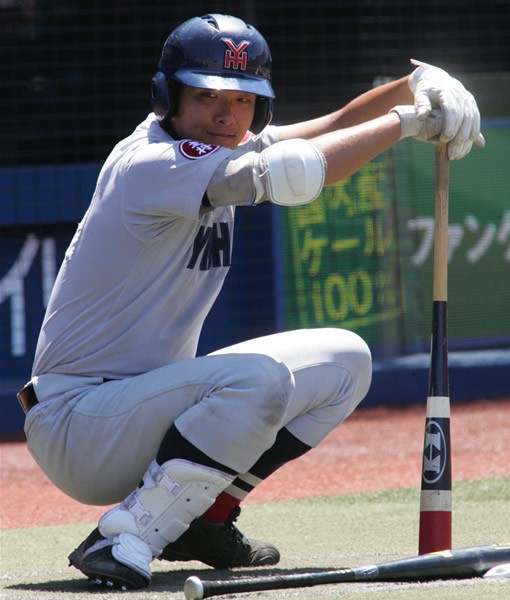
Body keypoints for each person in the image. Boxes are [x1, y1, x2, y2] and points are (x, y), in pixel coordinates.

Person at [17, 13, 483, 591]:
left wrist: (417, 85)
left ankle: (200, 523)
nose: (225, 114)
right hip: (81, 427)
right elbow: (291, 172)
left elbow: (333, 126)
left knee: (345, 362)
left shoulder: (219, 147)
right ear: (168, 96)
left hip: (138, 414)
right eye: (207, 95)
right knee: (260, 381)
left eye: (243, 100)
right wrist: (408, 121)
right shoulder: (152, 162)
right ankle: (122, 537)